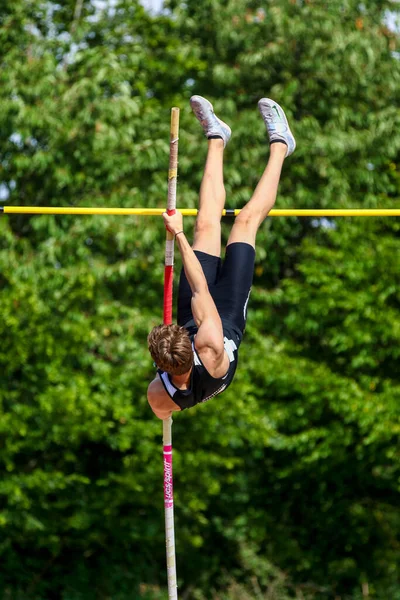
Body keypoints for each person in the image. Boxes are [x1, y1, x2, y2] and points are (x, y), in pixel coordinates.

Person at [147, 95, 295, 420]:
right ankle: (282, 144)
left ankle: (217, 136)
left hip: (193, 316)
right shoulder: (209, 347)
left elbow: (162, 411)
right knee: (245, 221)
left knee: (206, 221)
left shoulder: (159, 395)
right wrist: (178, 234)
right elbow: (201, 291)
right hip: (224, 317)